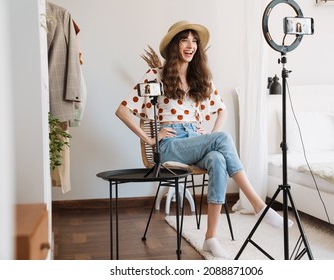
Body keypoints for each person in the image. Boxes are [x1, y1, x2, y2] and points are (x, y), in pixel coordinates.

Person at [115, 20, 293, 259]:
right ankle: (259, 206)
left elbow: (222, 110)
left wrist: (209, 137)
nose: (191, 45)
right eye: (184, 40)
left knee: (218, 159)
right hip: (171, 145)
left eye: (194, 41)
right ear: (173, 45)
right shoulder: (155, 75)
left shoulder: (200, 78)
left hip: (195, 140)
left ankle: (210, 238)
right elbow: (123, 110)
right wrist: (149, 139)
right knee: (221, 139)